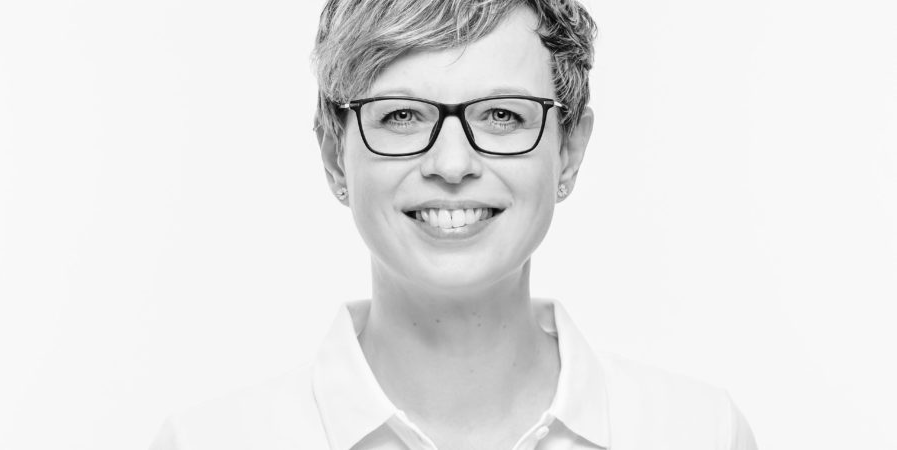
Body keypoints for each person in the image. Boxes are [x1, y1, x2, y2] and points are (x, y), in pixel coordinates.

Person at [150, 0, 758, 449]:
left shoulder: (700, 432)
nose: (451, 164)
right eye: (401, 115)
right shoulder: (206, 442)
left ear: (569, 150)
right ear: (335, 155)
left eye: (502, 115)